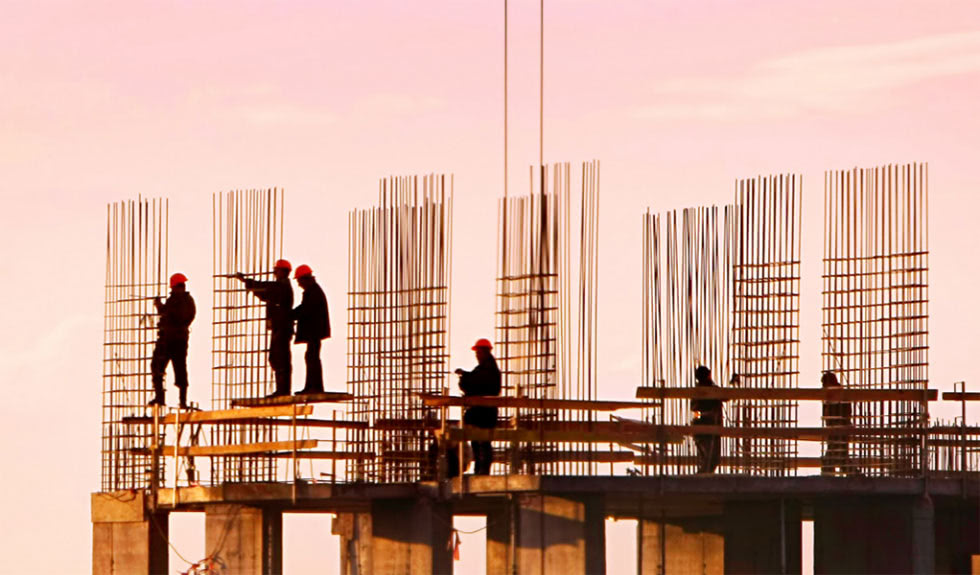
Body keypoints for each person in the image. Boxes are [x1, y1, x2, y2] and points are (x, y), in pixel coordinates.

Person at [236, 259, 294, 398]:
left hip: (281, 327)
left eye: (276, 270)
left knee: (280, 358)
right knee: (276, 358)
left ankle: (283, 390)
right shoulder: (281, 286)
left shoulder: (283, 287)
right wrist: (247, 282)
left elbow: (267, 289)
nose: (274, 272)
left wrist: (247, 281)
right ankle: (282, 389)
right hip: (279, 326)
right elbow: (265, 290)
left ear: (283, 272)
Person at [455, 338, 501, 475]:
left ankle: (482, 472)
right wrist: (465, 375)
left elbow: (476, 383)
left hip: (483, 414)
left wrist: (464, 378)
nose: (477, 355)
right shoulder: (486, 368)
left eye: (478, 352)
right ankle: (480, 471)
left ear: (485, 352)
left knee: (483, 444)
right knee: (479, 443)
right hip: (482, 414)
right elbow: (475, 380)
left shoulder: (488, 370)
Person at [149, 273, 196, 409]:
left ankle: (161, 398)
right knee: (178, 368)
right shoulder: (187, 301)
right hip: (178, 340)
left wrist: (160, 306)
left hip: (169, 340)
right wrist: (162, 307)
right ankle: (179, 400)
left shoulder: (178, 301)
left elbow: (171, 314)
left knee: (158, 366)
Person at [292, 264, 330, 395]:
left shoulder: (312, 292)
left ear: (305, 279)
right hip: (315, 332)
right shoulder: (314, 291)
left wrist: (290, 315)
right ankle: (312, 387)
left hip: (314, 332)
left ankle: (314, 387)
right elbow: (305, 308)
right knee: (311, 357)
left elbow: (305, 310)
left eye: (299, 281)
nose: (298, 284)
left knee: (312, 357)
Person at [691, 365, 725, 474]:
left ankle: (701, 480)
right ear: (708, 375)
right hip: (710, 429)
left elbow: (693, 408)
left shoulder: (698, 390)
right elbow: (727, 396)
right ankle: (700, 481)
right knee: (712, 460)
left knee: (708, 460)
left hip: (701, 429)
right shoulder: (710, 389)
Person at [821, 371, 853, 476]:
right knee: (840, 456)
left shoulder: (839, 395)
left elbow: (844, 413)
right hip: (836, 430)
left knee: (835, 457)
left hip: (839, 429)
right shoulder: (832, 396)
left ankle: (829, 477)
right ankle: (853, 476)